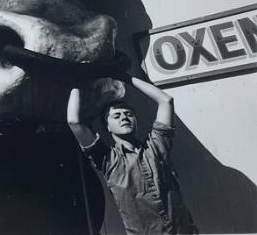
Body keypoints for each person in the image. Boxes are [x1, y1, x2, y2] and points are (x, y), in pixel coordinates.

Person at [67, 76, 198, 235]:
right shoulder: (107, 159)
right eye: (116, 116)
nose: (124, 118)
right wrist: (77, 81)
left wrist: (125, 76)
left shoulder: (156, 146)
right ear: (107, 127)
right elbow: (74, 122)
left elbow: (166, 100)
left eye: (128, 114)